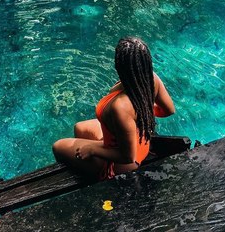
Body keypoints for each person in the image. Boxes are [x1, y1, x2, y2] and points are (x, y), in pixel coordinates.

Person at [52, 36, 175, 180]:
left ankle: (94, 177)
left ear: (119, 65)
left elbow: (127, 156)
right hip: (140, 142)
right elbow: (168, 110)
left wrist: (92, 149)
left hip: (121, 163)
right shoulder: (152, 79)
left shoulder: (120, 107)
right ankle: (88, 164)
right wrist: (140, 112)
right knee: (79, 128)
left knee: (57, 146)